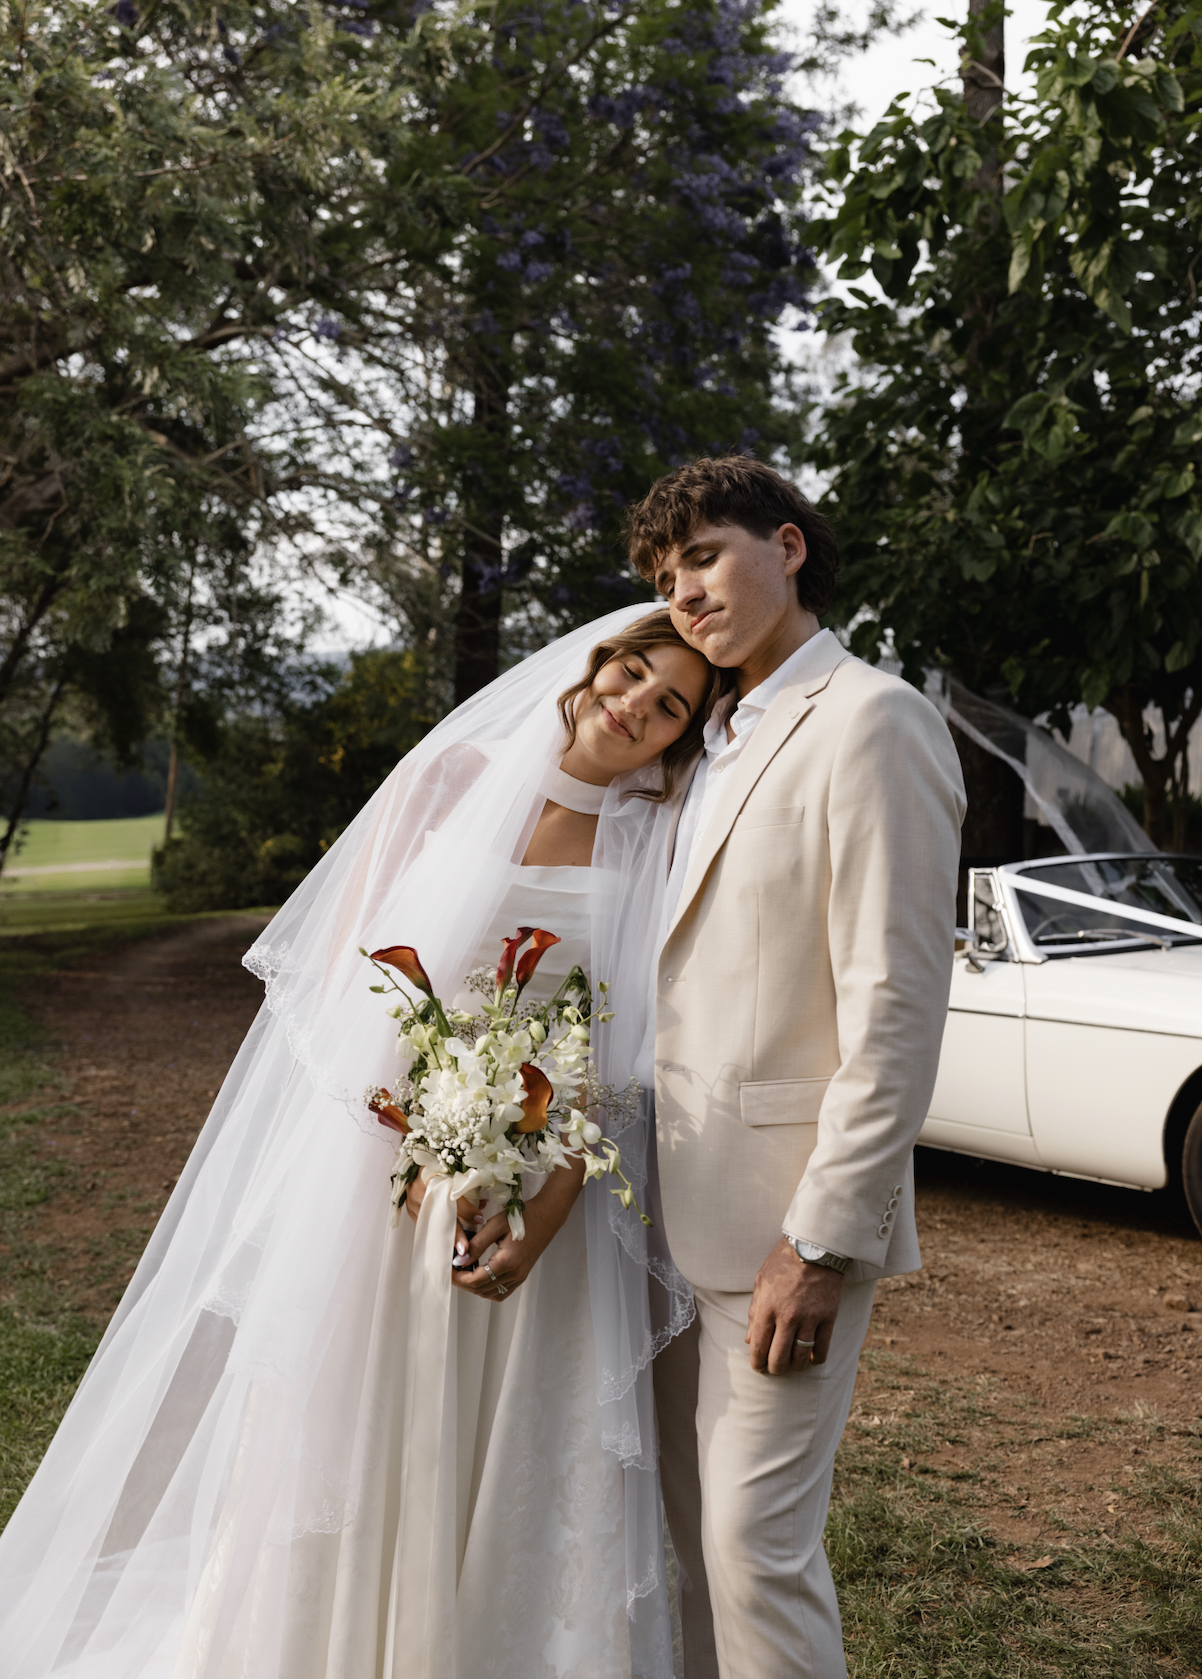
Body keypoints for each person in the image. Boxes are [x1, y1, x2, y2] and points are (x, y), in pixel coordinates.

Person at [0, 608, 725, 1679]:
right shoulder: (453, 778)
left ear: (679, 736)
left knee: (512, 1437)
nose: (635, 706)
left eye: (670, 706)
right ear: (595, 661)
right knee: (361, 1421)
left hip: (540, 1189)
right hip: (383, 1163)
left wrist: (543, 1203)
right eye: (631, 671)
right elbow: (352, 986)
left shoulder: (649, 833)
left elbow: (621, 1058)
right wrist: (418, 1144)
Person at [625, 458, 967, 1679]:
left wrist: (823, 1239)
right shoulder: (697, 744)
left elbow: (895, 1008)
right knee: (681, 1540)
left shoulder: (872, 720)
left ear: (787, 545)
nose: (686, 594)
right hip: (655, 1215)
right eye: (666, 583)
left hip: (781, 1219)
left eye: (705, 557)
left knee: (753, 1546)